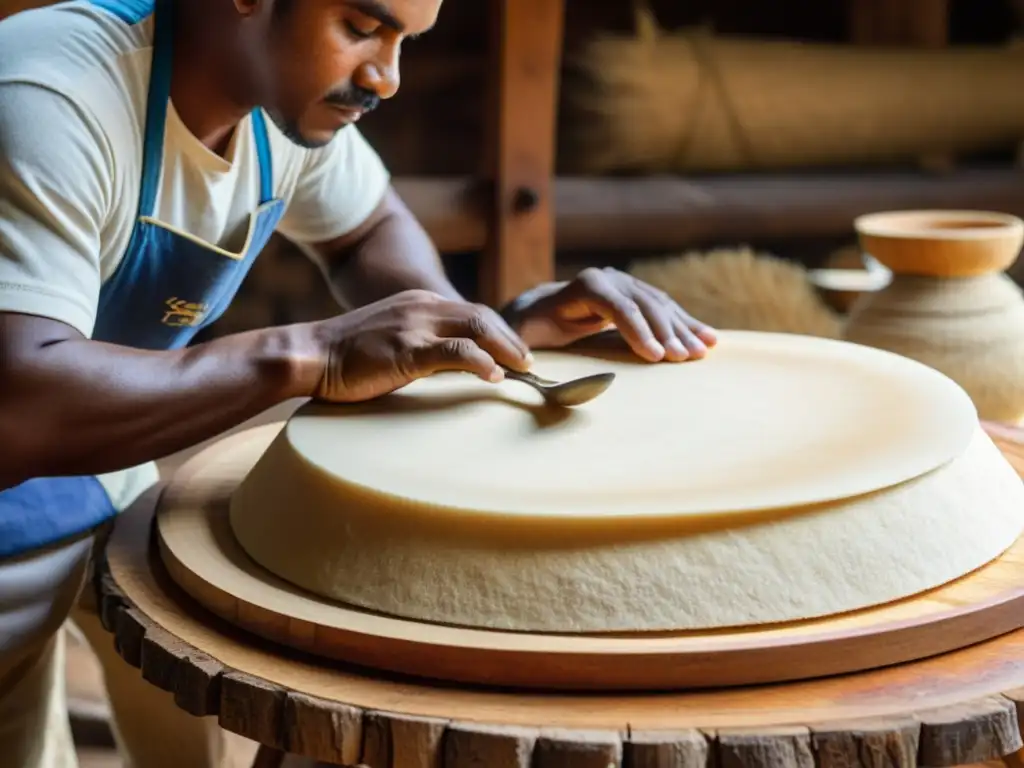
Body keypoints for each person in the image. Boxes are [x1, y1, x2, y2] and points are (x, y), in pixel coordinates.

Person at [0, 0, 717, 765]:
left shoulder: (281, 106)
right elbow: (22, 405)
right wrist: (314, 356)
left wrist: (477, 326)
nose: (387, 76)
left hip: (107, 475)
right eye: (363, 27)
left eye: (406, 40)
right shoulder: (52, 94)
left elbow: (367, 230)